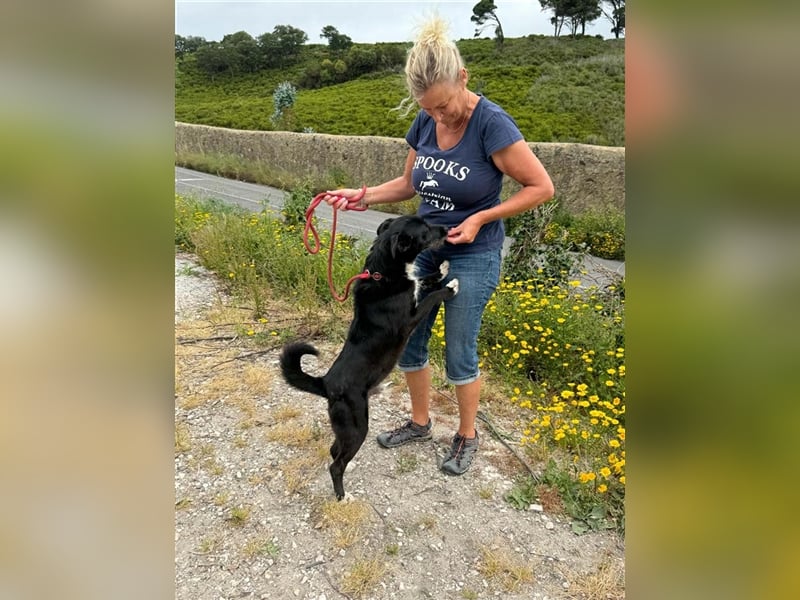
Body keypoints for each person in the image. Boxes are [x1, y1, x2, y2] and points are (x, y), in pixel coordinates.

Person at [322, 15, 554, 475]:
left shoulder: (492, 125)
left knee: (459, 352)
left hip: (474, 251)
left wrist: (481, 218)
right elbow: (409, 184)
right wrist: (363, 194)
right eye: (428, 109)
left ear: (463, 78)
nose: (438, 117)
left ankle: (467, 436)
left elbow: (541, 187)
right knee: (407, 341)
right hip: (427, 249)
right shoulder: (425, 122)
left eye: (444, 106)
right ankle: (420, 422)